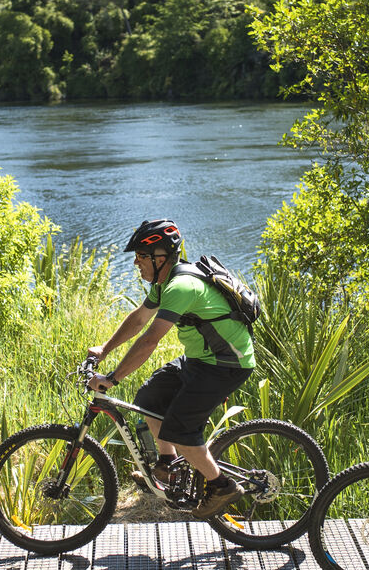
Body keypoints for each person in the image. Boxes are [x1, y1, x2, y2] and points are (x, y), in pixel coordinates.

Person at [87, 219, 255, 519]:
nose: (137, 262)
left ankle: (222, 486)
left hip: (226, 364)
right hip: (201, 359)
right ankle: (168, 466)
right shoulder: (164, 284)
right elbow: (139, 319)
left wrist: (113, 378)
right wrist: (104, 350)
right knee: (150, 399)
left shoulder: (181, 286)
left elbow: (150, 339)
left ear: (160, 257)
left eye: (141, 256)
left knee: (180, 429)